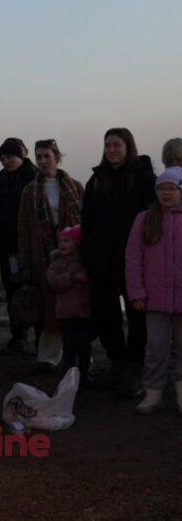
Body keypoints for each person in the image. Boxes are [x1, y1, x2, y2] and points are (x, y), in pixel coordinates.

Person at [81, 128, 156, 397]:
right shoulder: (96, 179)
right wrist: (87, 253)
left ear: (128, 146)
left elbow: (153, 219)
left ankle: (135, 369)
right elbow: (87, 219)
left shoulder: (144, 177)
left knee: (138, 316)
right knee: (104, 313)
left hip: (135, 260)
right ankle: (117, 361)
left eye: (117, 145)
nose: (112, 149)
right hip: (102, 261)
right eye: (108, 145)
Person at [17, 139, 84, 372]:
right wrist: (25, 262)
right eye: (39, 157)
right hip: (42, 254)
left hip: (72, 253)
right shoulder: (30, 190)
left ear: (57, 157)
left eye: (47, 156)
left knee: (74, 306)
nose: (43, 161)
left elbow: (85, 220)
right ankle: (48, 357)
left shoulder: (75, 186)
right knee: (49, 307)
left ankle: (78, 357)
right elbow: (23, 228)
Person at [125, 167, 182, 414]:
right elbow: (133, 257)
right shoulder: (144, 218)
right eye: (162, 189)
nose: (166, 193)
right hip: (155, 298)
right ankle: (152, 394)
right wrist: (137, 292)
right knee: (156, 347)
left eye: (171, 189)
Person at [0, 138, 38, 354]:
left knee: (37, 290)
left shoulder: (36, 177)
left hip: (31, 246)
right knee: (12, 291)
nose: (6, 161)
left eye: (10, 156)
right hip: (6, 247)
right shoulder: (0, 181)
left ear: (21, 154)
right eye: (2, 158)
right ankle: (17, 335)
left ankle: (42, 336)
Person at [46, 226, 93, 387]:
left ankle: (84, 376)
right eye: (61, 241)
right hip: (66, 314)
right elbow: (53, 282)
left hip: (84, 314)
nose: (62, 245)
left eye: (67, 241)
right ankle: (68, 378)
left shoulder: (85, 262)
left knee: (84, 348)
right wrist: (73, 277)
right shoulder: (57, 264)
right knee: (69, 348)